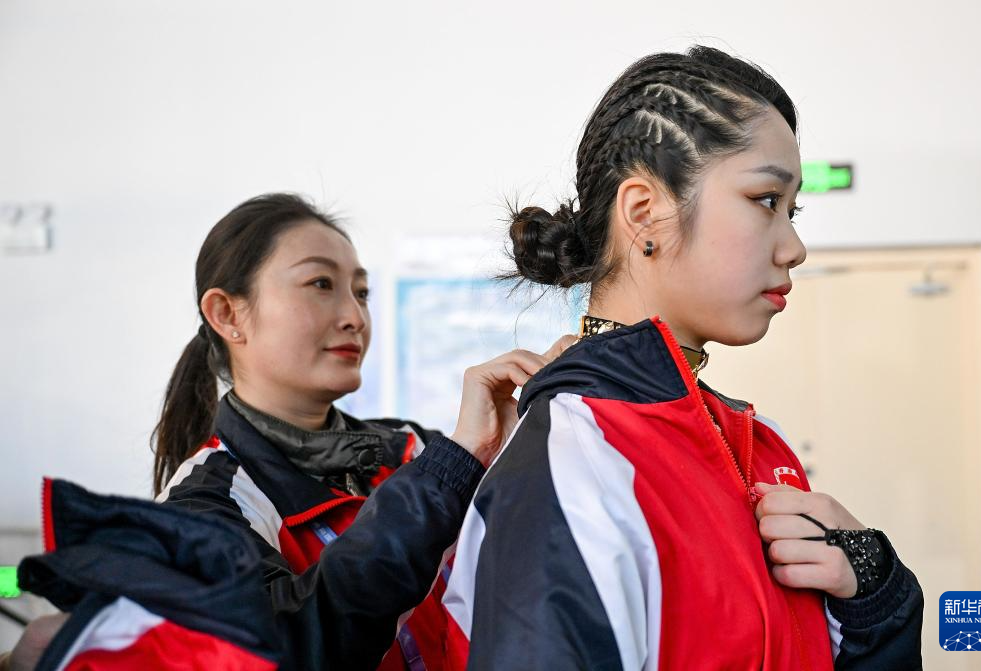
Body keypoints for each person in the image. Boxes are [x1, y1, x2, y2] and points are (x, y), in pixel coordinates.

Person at [442, 47, 924, 670]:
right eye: (766, 200)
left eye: (793, 210)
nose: (795, 247)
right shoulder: (574, 458)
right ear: (645, 213)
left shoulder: (760, 441)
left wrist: (877, 609)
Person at [3, 193, 574, 671]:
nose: (354, 316)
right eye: (321, 284)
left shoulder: (411, 447)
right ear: (228, 314)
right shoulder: (208, 502)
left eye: (361, 292)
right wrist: (454, 466)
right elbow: (293, 647)